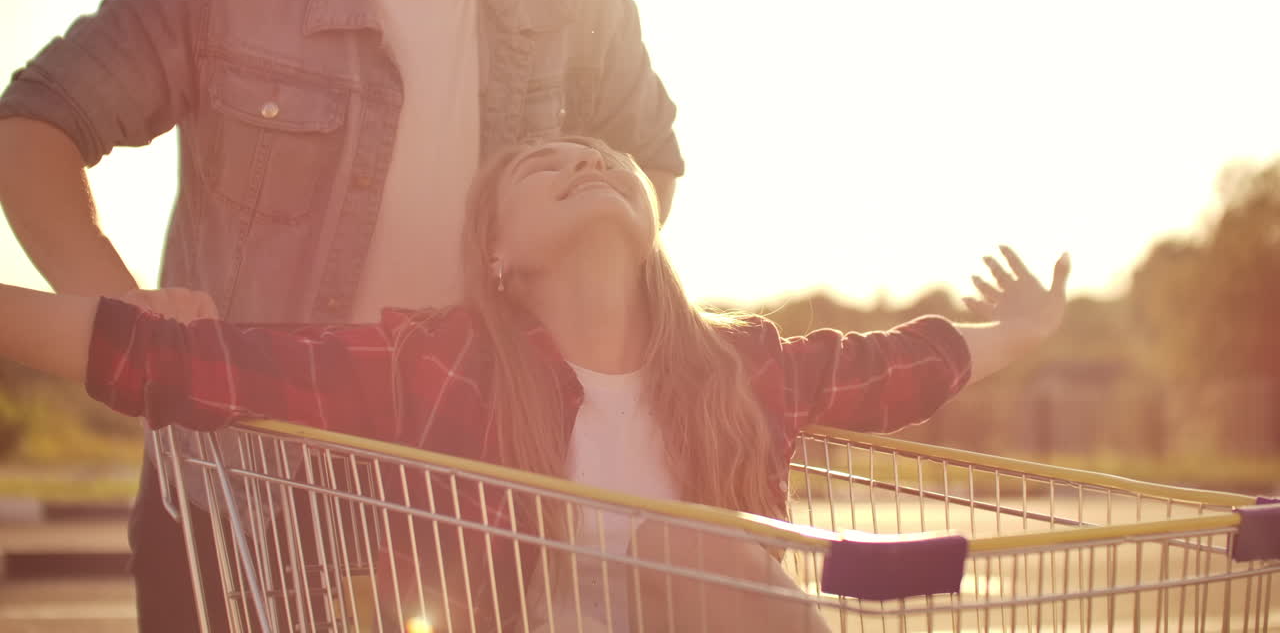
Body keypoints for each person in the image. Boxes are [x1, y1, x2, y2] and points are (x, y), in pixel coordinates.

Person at [0, 137, 1070, 631]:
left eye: (601, 156)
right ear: (499, 257)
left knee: (684, 542)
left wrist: (1022, 329)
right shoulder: (440, 365)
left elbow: (888, 372)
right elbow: (173, 361)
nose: (585, 160)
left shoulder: (736, 367)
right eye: (541, 164)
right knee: (685, 535)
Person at [0, 0, 680, 628]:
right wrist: (132, 320)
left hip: (481, 504)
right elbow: (32, 127)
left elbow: (650, 162)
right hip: (240, 491)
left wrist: (582, 304)